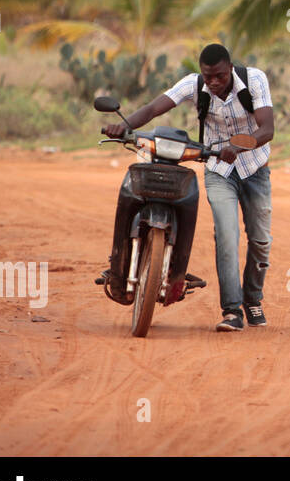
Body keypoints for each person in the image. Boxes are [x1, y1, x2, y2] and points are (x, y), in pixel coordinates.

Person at [101, 43, 275, 332]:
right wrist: (125, 125)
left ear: (230, 68)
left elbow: (267, 128)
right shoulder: (194, 84)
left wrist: (240, 145)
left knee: (260, 242)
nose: (214, 83)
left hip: (254, 167)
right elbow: (154, 108)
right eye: (208, 77)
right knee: (227, 237)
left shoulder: (254, 79)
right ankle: (232, 311)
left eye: (219, 76)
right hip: (218, 169)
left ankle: (253, 298)